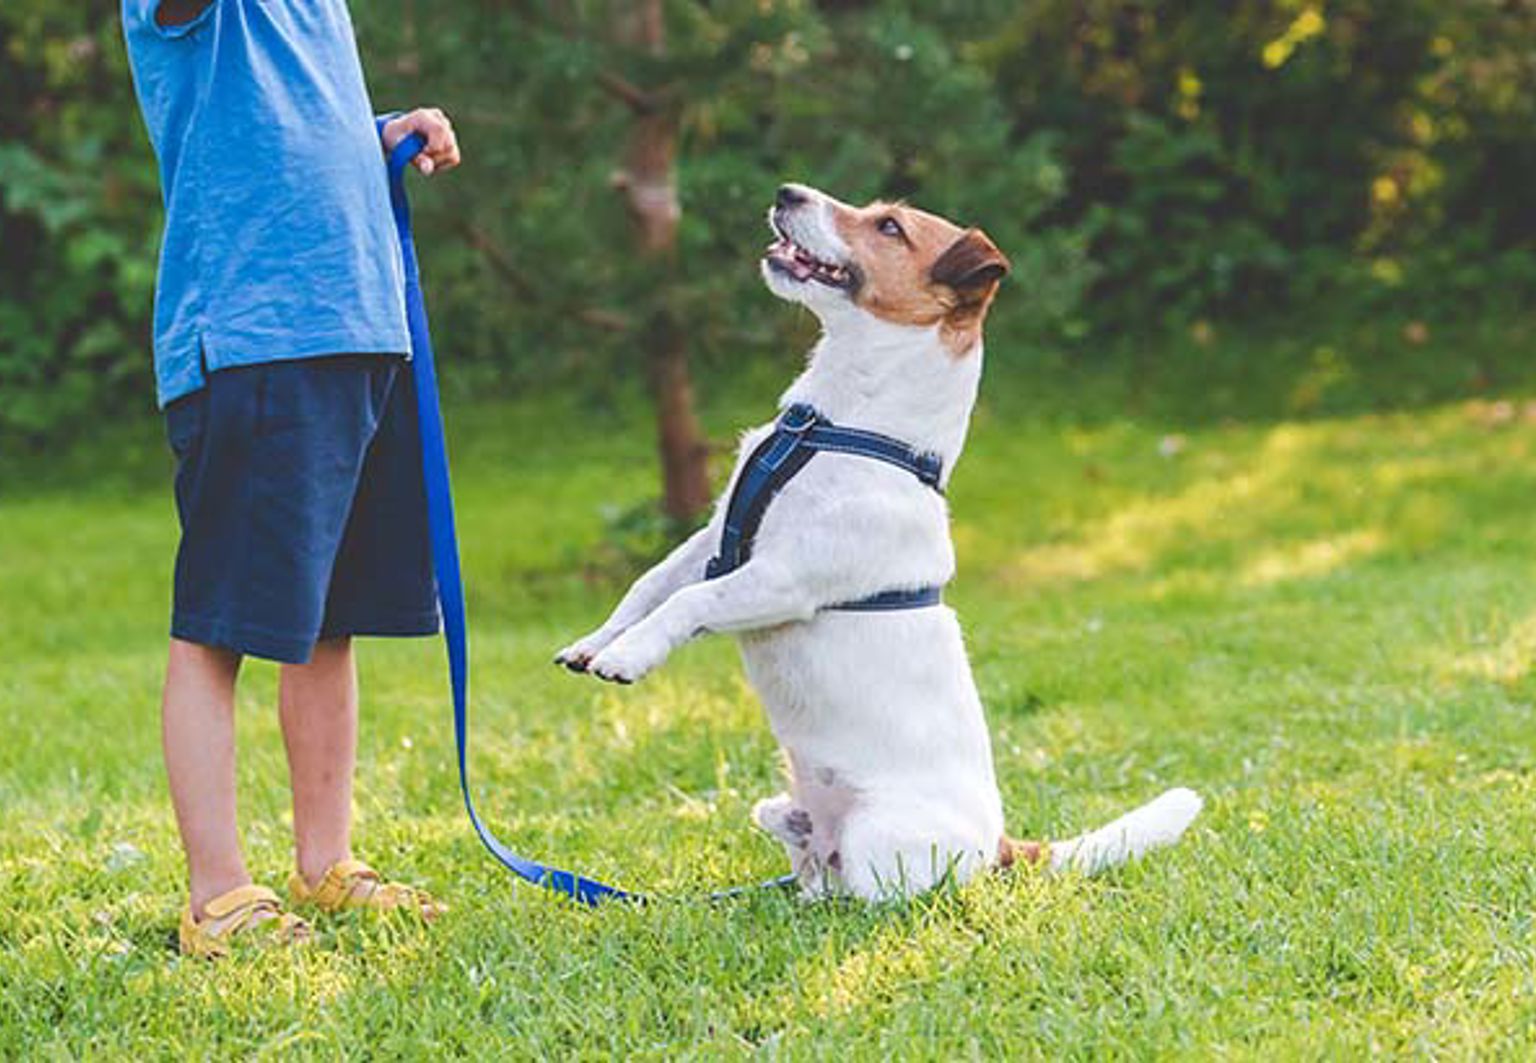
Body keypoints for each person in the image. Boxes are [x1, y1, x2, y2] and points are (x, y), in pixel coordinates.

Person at [122, 0, 463, 958]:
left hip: (356, 325)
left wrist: (380, 136)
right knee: (220, 626)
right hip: (254, 338)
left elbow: (287, 128)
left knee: (326, 618)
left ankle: (326, 860)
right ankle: (219, 892)